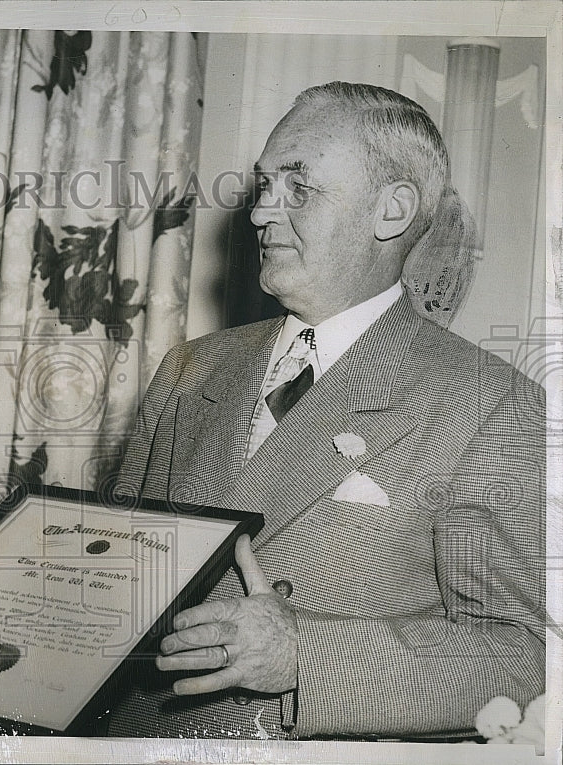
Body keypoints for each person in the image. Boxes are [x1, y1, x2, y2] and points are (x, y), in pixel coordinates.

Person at [107, 82, 545, 739]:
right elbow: (111, 587)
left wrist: (305, 655)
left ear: (391, 210)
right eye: (263, 185)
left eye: (298, 187)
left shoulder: (492, 403)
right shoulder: (186, 369)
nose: (259, 213)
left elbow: (525, 654)